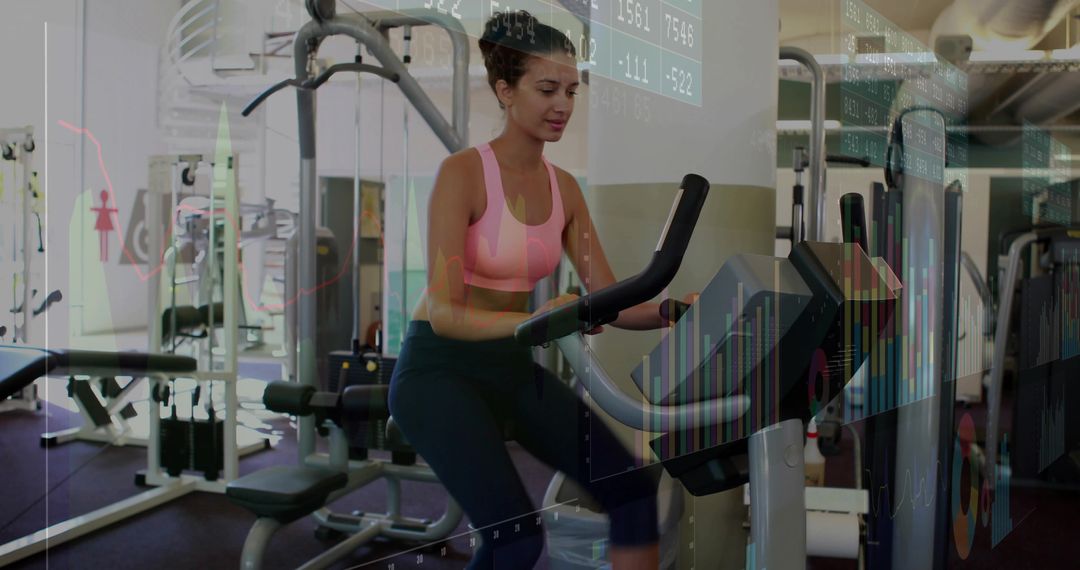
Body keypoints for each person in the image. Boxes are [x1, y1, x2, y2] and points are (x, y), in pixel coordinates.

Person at [388, 11, 692, 569]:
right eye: (547, 89)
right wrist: (544, 321)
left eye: (572, 91)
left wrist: (674, 310)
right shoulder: (463, 174)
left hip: (508, 363)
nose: (563, 105)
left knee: (632, 489)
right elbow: (446, 313)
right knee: (517, 538)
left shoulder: (566, 189)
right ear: (505, 90)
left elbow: (607, 298)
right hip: (437, 369)